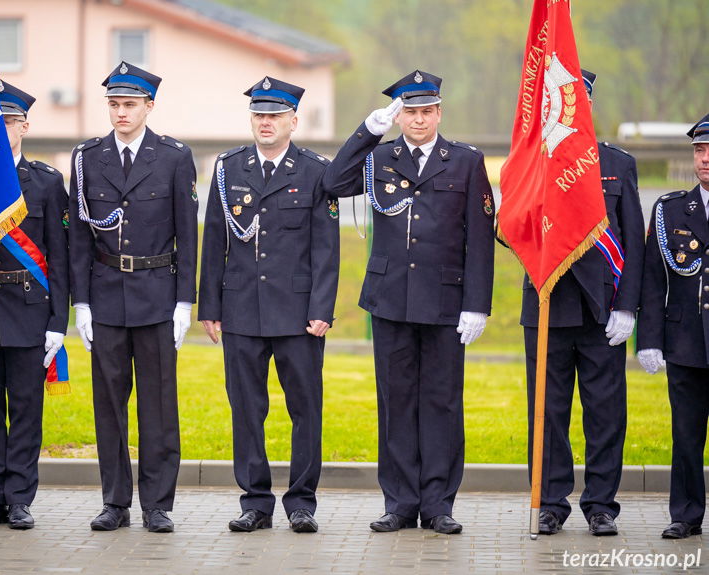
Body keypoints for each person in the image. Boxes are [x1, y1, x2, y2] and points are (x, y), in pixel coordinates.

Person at [322, 70, 494, 534]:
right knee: (396, 401)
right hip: (391, 298)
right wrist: (367, 131)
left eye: (426, 111)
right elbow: (333, 183)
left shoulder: (464, 162)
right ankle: (399, 502)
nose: (418, 120)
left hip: (444, 300)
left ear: (439, 113)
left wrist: (477, 304)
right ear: (399, 118)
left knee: (441, 402)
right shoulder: (380, 157)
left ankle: (438, 504)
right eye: (410, 113)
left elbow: (479, 239)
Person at [198, 77, 339, 533]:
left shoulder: (316, 171)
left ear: (293, 121)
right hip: (241, 308)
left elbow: (325, 248)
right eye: (259, 115)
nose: (266, 122)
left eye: (275, 115)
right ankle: (255, 502)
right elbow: (214, 241)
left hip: (298, 313)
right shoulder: (228, 168)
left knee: (305, 408)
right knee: (245, 407)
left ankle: (301, 501)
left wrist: (322, 307)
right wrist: (209, 306)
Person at [69, 62, 198, 533]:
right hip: (105, 294)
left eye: (129, 105)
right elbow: (79, 237)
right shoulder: (87, 158)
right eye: (114, 105)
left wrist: (185, 302)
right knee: (109, 404)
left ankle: (157, 503)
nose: (121, 113)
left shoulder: (173, 157)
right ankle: (115, 501)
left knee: (159, 405)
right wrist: (79, 302)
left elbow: (187, 232)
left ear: (149, 106)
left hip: (157, 293)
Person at [521, 70, 645, 537]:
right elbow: (508, 230)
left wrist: (628, 306)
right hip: (548, 303)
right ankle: (551, 502)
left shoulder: (616, 162)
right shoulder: (532, 162)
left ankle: (600, 505)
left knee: (605, 411)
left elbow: (633, 240)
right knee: (548, 412)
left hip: (602, 309)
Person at [0, 81, 69, 530]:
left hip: (30, 310)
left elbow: (61, 256)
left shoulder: (46, 182)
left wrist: (59, 322)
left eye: (9, 120)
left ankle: (21, 497)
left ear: (24, 125)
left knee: (26, 409)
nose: (2, 128)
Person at [637, 112, 709, 540]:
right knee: (686, 436)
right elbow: (652, 280)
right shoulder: (670, 210)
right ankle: (685, 513)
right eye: (700, 151)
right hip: (685, 341)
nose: (705, 160)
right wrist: (649, 340)